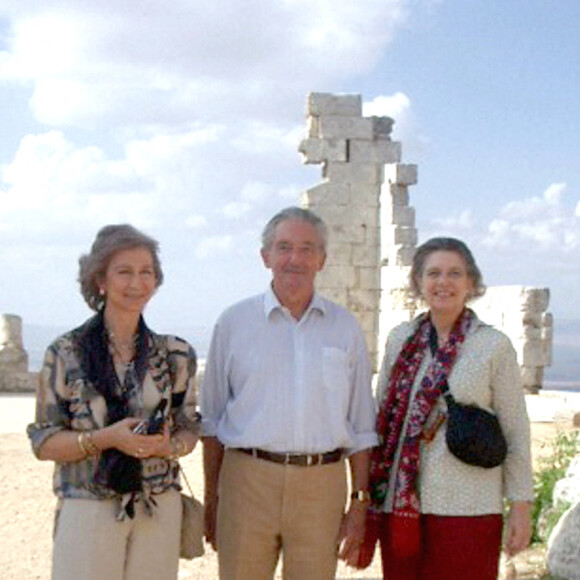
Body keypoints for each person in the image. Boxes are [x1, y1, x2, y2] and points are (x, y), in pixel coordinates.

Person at [201, 206, 378, 580]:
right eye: (284, 247)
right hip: (246, 483)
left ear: (322, 259)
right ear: (265, 257)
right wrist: (212, 499)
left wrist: (359, 505)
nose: (294, 258)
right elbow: (212, 422)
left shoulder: (345, 329)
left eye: (307, 248)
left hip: (322, 487)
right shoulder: (233, 323)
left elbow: (361, 426)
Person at [27, 224, 200, 580]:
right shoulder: (65, 353)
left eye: (146, 272)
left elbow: (190, 428)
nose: (137, 283)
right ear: (100, 280)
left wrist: (170, 445)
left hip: (158, 507)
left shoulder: (176, 355)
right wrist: (106, 439)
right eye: (124, 271)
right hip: (88, 506)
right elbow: (43, 443)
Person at [367, 237, 533, 580]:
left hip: (469, 506)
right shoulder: (400, 338)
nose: (444, 282)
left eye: (455, 273)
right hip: (401, 505)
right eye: (434, 273)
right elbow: (380, 416)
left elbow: (516, 429)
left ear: (470, 282)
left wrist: (521, 505)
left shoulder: (492, 345)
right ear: (419, 282)